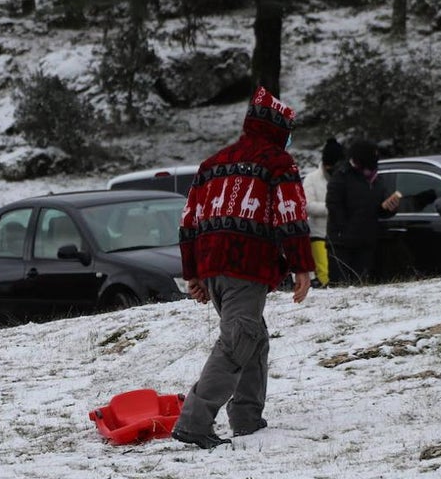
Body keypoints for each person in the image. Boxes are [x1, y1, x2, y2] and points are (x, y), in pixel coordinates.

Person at [170, 86, 314, 449]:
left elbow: (189, 221)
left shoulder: (212, 164)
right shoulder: (277, 163)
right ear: (279, 130)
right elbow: (290, 215)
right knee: (239, 340)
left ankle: (247, 417)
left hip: (213, 268)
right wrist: (301, 267)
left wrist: (195, 274)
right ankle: (194, 421)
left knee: (254, 339)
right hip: (245, 267)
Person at [326, 139, 401, 285]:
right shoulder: (341, 176)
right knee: (340, 285)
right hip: (342, 243)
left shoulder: (376, 179)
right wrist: (346, 232)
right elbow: (334, 207)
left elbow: (379, 210)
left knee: (362, 285)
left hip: (367, 242)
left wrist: (388, 207)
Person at [303, 137, 343, 287]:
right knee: (325, 275)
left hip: (341, 235)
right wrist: (332, 208)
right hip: (319, 235)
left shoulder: (344, 178)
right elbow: (308, 205)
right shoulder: (311, 179)